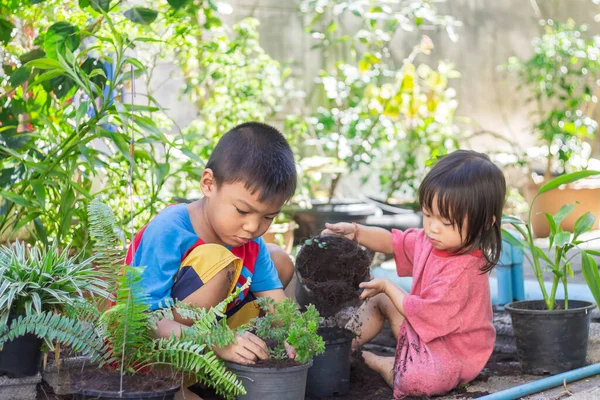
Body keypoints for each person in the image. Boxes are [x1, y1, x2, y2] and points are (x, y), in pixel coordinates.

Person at [323, 150, 506, 398]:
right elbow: (392, 241)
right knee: (379, 298)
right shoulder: (431, 241)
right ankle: (336, 348)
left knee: (417, 382)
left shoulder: (463, 272)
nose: (432, 228)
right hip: (421, 332)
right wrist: (355, 232)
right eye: (428, 215)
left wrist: (389, 286)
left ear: (485, 222)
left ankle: (386, 364)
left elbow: (424, 312)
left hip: (451, 356)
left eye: (446, 222)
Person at [126, 122, 298, 370]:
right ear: (208, 183)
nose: (252, 226)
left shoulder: (250, 241)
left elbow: (277, 303)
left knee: (278, 259)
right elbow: (144, 322)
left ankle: (226, 366)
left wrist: (296, 332)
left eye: (268, 217)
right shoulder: (169, 230)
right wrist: (217, 341)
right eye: (242, 210)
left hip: (208, 340)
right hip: (155, 353)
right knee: (219, 263)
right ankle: (179, 379)